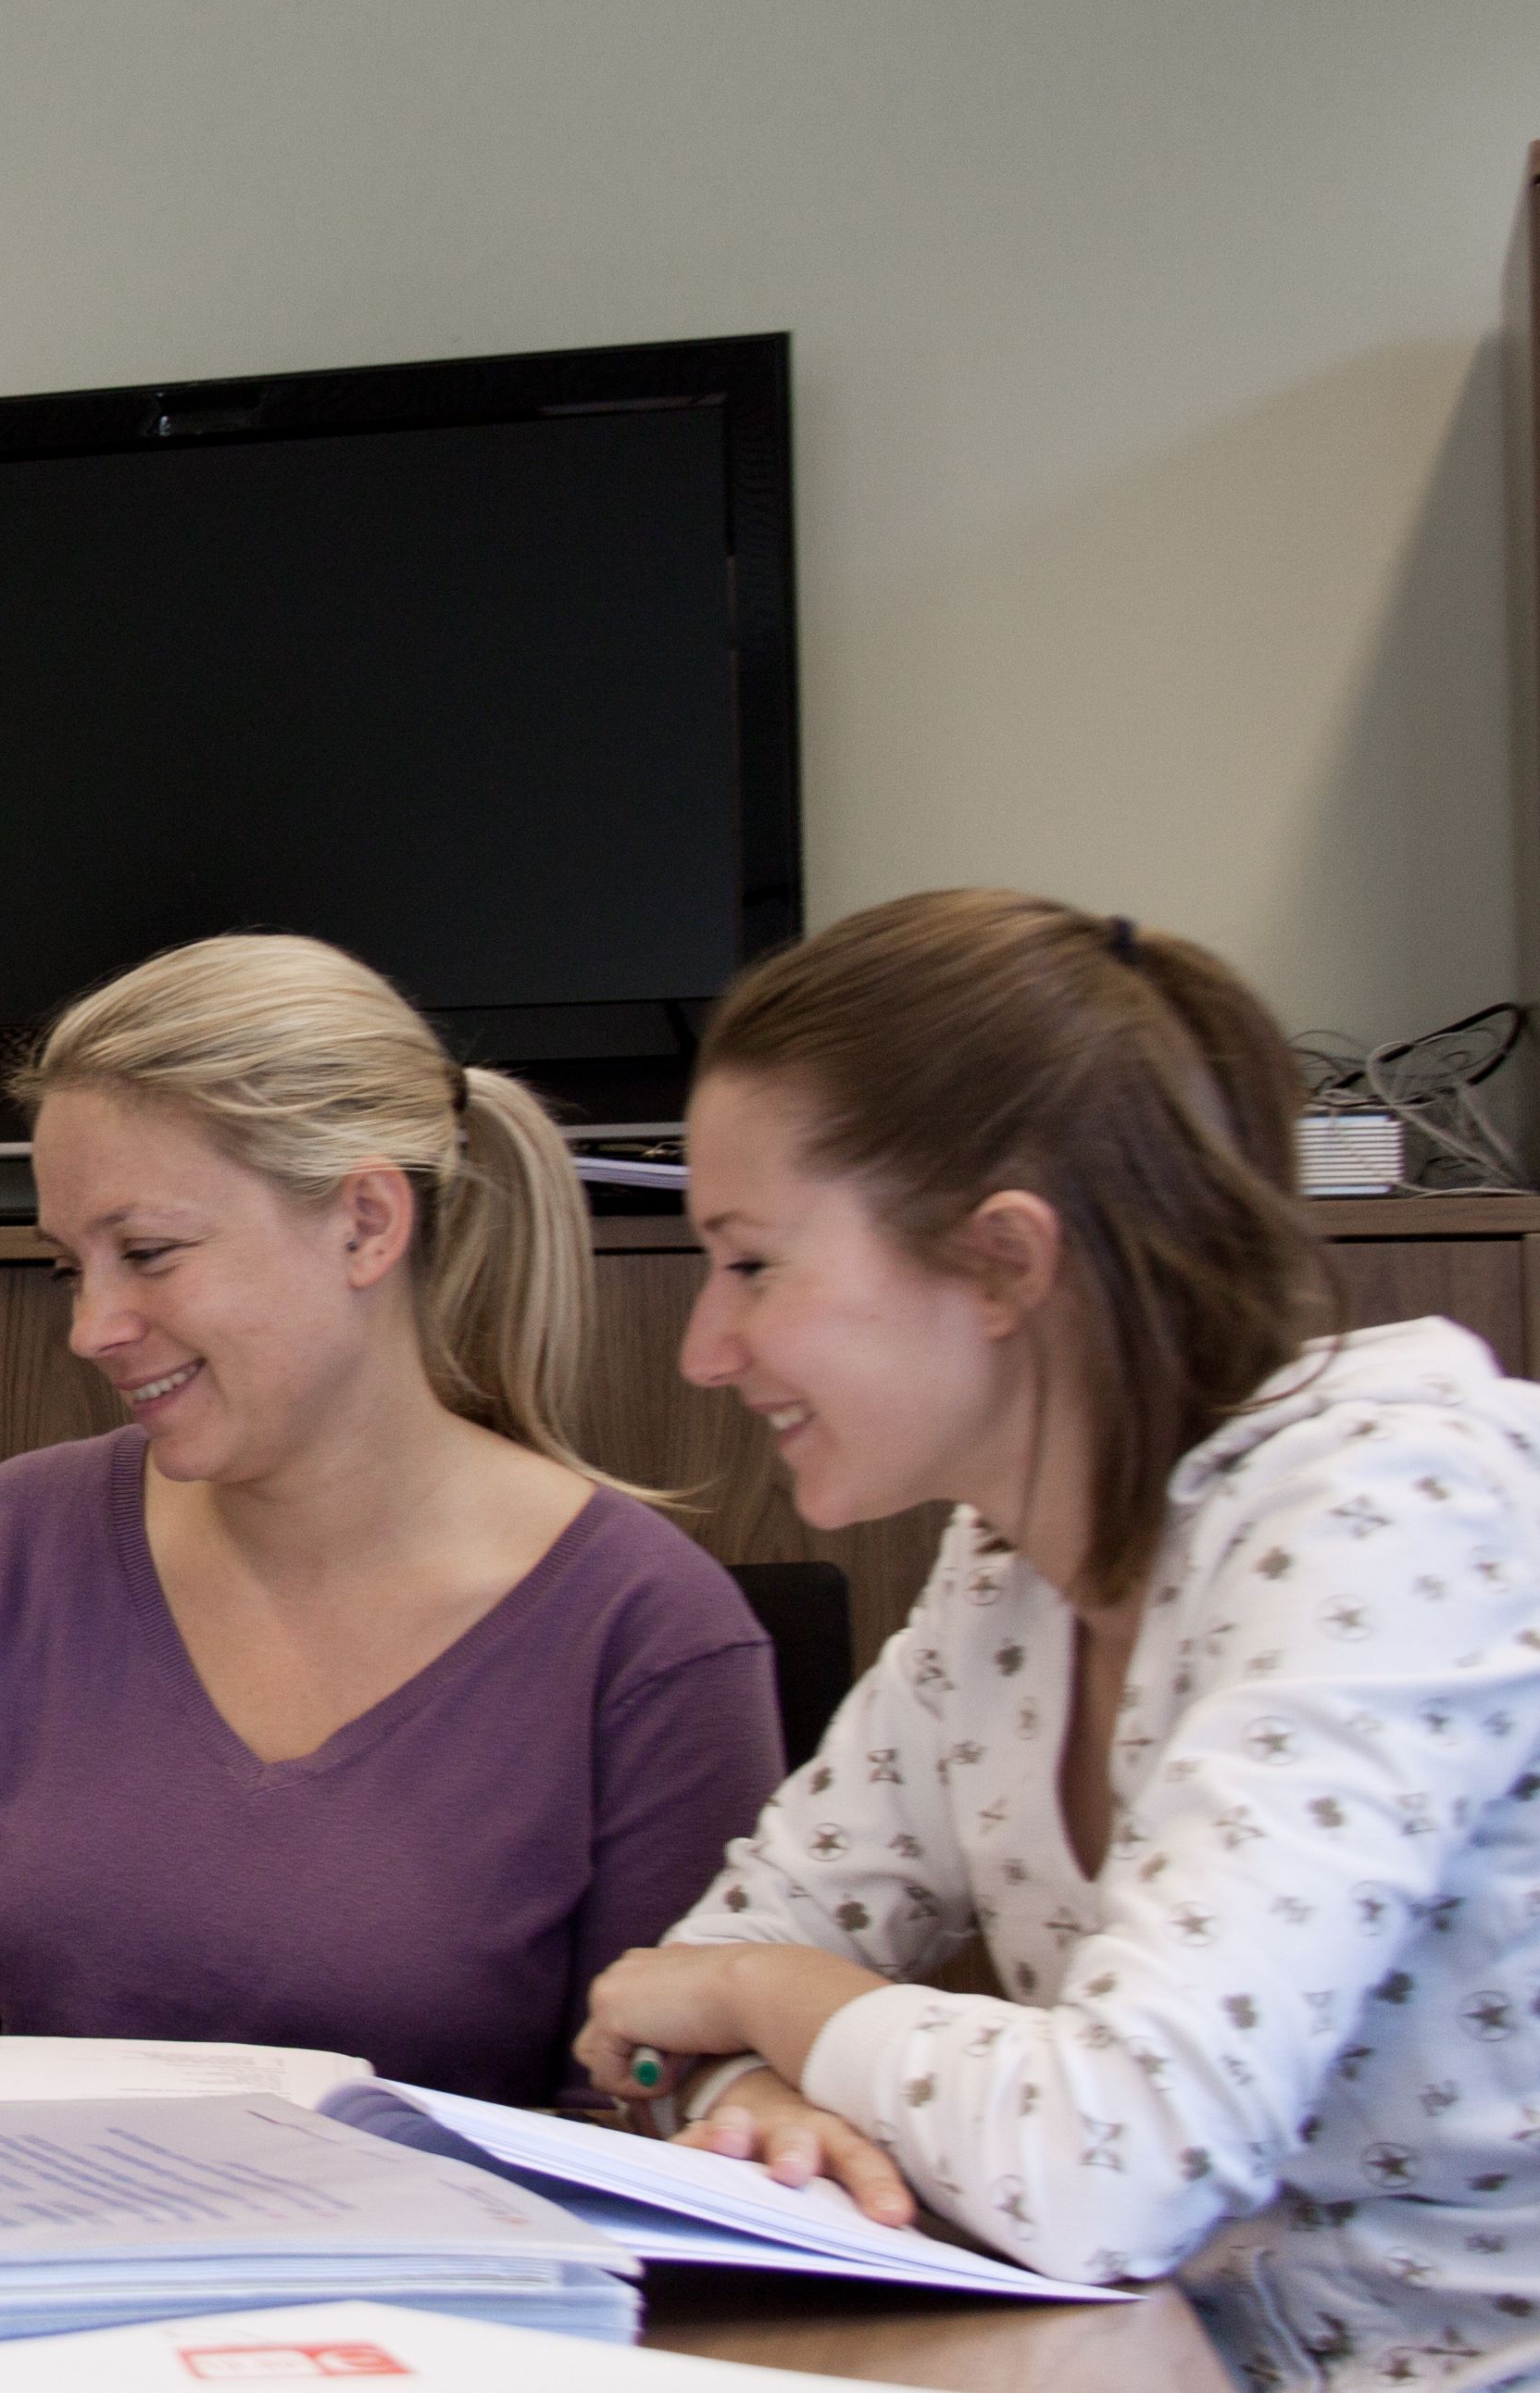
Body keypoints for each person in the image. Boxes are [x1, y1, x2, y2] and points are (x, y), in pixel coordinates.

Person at [577, 890, 1540, 2387]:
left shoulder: (1388, 1507)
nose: (707, 1344)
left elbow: (1115, 2161)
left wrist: (778, 2008)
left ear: (1006, 1263)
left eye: (752, 1261)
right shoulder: (1007, 1562)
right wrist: (757, 2075)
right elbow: (666, 1988)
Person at [0, 933, 784, 2104]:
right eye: (70, 1266)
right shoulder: (10, 1542)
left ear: (364, 1222)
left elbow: (650, 2104)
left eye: (147, 1253)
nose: (92, 1325)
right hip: (30, 2262)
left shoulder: (649, 1629)